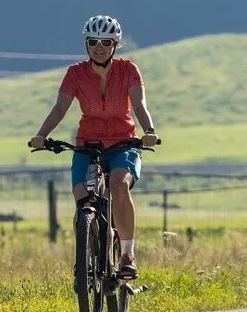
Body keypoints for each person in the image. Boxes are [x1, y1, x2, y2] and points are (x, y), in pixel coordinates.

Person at [28, 14, 160, 280]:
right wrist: (41, 135)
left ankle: (126, 255)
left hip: (123, 143)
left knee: (119, 186)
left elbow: (139, 105)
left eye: (105, 42)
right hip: (87, 145)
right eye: (93, 42)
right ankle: (86, 259)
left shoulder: (128, 70)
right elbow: (59, 108)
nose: (99, 47)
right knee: (82, 202)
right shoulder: (75, 74)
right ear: (86, 44)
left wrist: (149, 131)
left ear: (115, 45)